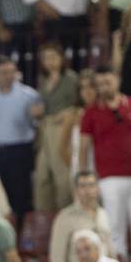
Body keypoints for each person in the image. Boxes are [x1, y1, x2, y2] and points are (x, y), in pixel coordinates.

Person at [79, 65, 131, 259]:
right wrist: (82, 180)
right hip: (109, 179)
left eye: (108, 81)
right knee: (114, 232)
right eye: (100, 83)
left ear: (117, 80)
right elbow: (83, 148)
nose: (104, 87)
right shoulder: (91, 113)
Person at [0, 57, 42, 223]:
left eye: (11, 72)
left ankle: (22, 233)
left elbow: (39, 126)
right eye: (3, 73)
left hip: (20, 150)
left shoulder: (29, 95)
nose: (8, 76)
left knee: (21, 194)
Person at [34, 44, 79, 212]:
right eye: (46, 58)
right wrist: (36, 111)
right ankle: (44, 215)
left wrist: (70, 112)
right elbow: (42, 105)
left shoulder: (71, 79)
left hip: (62, 128)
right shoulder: (44, 81)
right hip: (45, 127)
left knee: (62, 174)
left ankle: (66, 211)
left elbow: (80, 103)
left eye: (53, 57)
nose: (50, 61)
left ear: (61, 58)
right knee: (42, 176)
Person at [49, 171, 113, 262]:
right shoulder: (65, 217)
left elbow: (110, 249)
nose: (87, 190)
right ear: (76, 190)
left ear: (97, 189)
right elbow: (57, 255)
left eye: (91, 185)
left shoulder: (103, 214)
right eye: (82, 186)